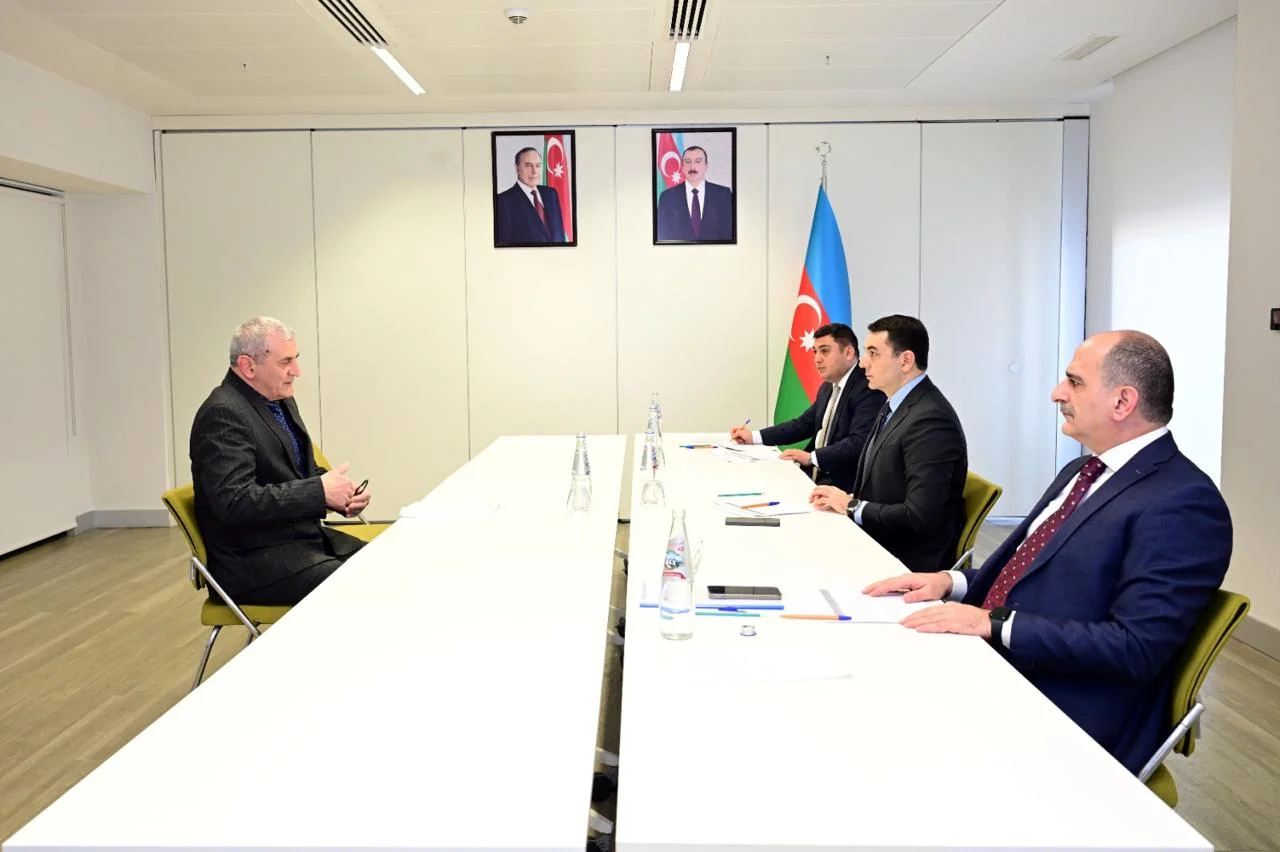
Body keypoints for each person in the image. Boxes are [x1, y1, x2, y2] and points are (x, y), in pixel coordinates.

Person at [863, 331, 1232, 775]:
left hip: (1061, 710)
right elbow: (1035, 573)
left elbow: (1135, 647)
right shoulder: (1082, 469)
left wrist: (993, 624)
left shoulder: (1183, 502)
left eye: (1074, 382)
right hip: (1003, 665)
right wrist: (951, 582)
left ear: (1122, 402)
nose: (1058, 393)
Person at [190, 317, 372, 606]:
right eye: (286, 362)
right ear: (248, 366)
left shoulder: (278, 399)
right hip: (252, 563)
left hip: (298, 542)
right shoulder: (223, 413)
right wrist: (319, 492)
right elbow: (235, 503)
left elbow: (298, 470)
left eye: (296, 359)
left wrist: (340, 494)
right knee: (365, 588)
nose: (297, 371)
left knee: (387, 566)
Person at [810, 315, 968, 573]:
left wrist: (852, 506)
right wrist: (847, 499)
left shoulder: (931, 420)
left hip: (904, 558)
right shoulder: (895, 405)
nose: (863, 362)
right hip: (879, 536)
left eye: (873, 353)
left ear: (905, 360)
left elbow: (919, 516)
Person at [729, 322, 883, 491]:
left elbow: (859, 442)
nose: (817, 359)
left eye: (825, 351)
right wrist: (754, 437)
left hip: (842, 486)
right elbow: (803, 425)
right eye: (815, 352)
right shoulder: (828, 386)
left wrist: (812, 458)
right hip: (814, 476)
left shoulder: (868, 387)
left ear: (848, 353)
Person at [655, 145, 734, 242]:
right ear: (682, 166)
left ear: (706, 166)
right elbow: (663, 235)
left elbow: (729, 233)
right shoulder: (667, 197)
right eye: (688, 162)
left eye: (698, 161)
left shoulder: (724, 195)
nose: (692, 167)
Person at [495, 147, 566, 245]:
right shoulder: (503, 201)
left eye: (538, 165)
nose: (534, 171)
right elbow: (504, 245)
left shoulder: (551, 194)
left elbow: (560, 234)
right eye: (528, 166)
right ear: (517, 168)